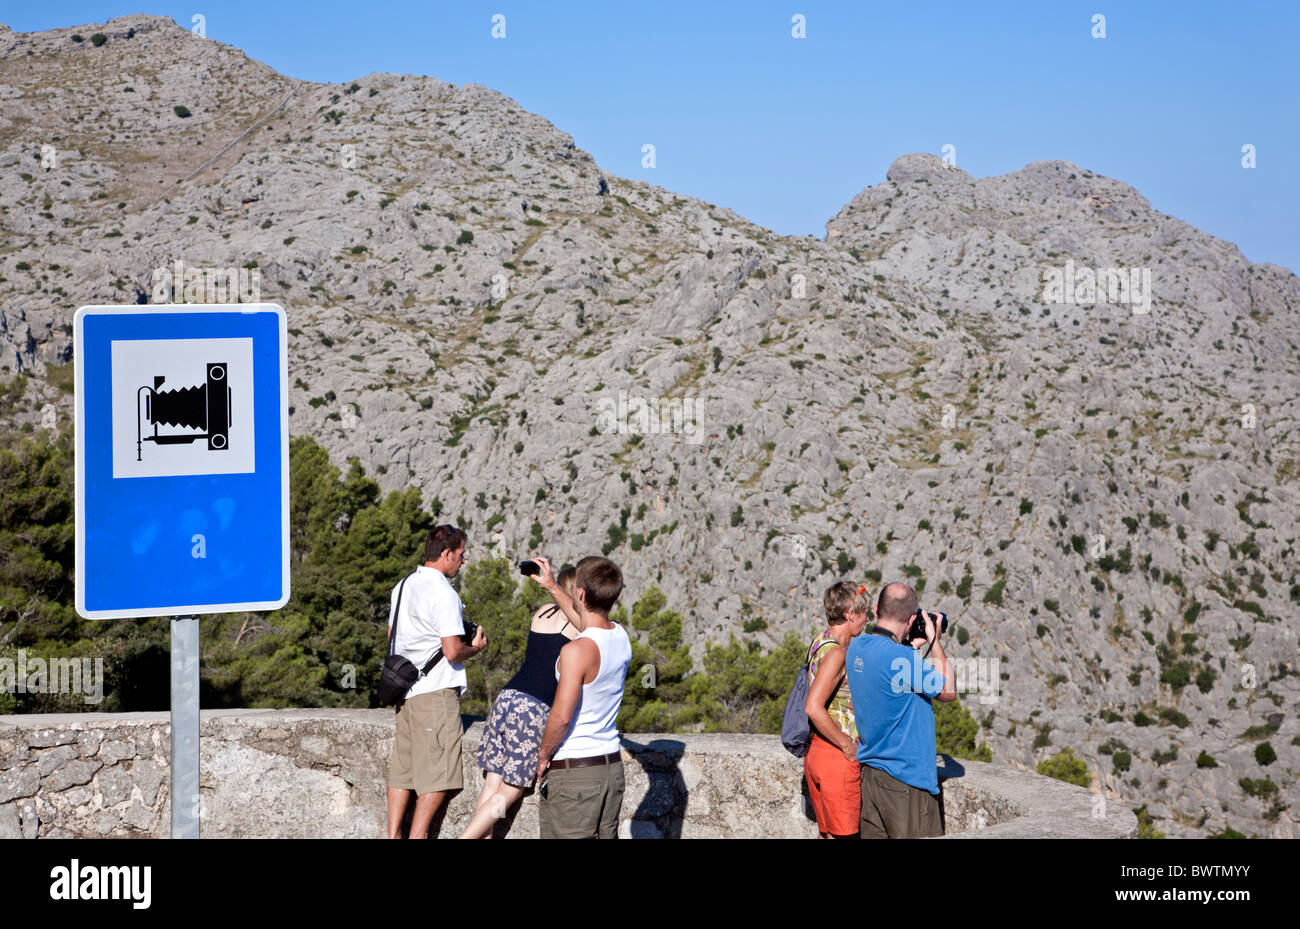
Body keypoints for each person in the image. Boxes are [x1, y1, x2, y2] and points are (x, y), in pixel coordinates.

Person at [459, 564, 580, 839]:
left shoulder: (541, 613)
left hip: (508, 698)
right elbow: (592, 627)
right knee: (510, 789)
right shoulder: (574, 626)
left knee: (491, 785)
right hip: (534, 707)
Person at [385, 524, 487, 839]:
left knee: (402, 770)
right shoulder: (444, 593)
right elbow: (453, 651)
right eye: (460, 555)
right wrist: (477, 647)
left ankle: (392, 835)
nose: (463, 561)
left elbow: (392, 639)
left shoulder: (402, 586)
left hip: (405, 692)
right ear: (446, 555)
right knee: (439, 774)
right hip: (434, 694)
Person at [845, 581, 957, 839]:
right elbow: (948, 691)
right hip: (906, 783)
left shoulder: (856, 648)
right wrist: (935, 641)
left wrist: (910, 647)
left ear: (875, 610)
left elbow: (888, 674)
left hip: (871, 779)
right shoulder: (903, 660)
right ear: (911, 619)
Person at [533, 555, 630, 839]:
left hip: (576, 774)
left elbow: (561, 717)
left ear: (581, 593)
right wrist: (553, 587)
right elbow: (588, 623)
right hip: (610, 769)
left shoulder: (575, 652)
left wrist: (543, 755)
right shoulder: (621, 637)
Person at [804, 581, 871, 838]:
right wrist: (847, 746)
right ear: (850, 614)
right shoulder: (836, 655)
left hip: (817, 753)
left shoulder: (820, 642)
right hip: (836, 759)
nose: (867, 620)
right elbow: (813, 707)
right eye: (864, 614)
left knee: (827, 835)